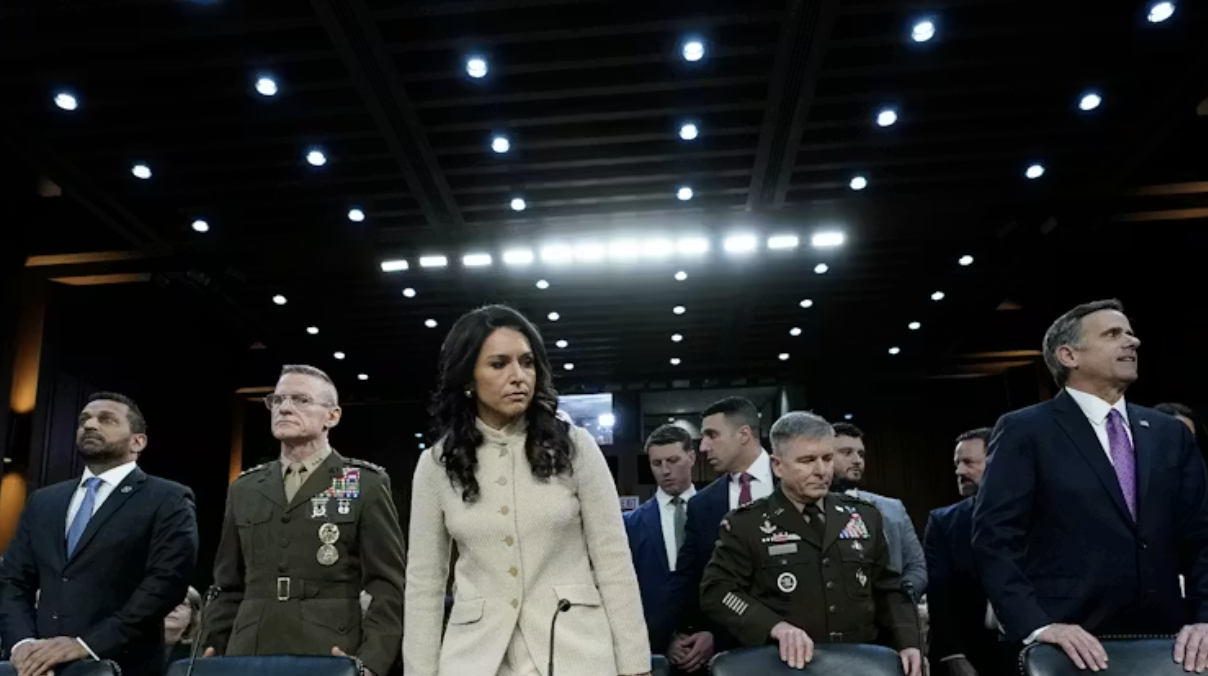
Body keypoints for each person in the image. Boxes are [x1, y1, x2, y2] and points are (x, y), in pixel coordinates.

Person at [405, 304, 651, 676]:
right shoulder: (437, 463)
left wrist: (635, 666)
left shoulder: (576, 446)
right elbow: (424, 583)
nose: (518, 376)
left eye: (527, 362)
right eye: (499, 364)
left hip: (576, 653)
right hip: (475, 659)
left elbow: (614, 561)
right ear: (468, 377)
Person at [973, 299, 1208, 673]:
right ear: (1069, 355)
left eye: (1130, 333)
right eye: (1113, 334)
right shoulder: (1026, 430)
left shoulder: (1169, 434)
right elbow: (994, 537)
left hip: (1169, 643)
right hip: (1067, 644)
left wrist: (1205, 616)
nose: (1132, 341)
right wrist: (1037, 624)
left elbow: (1201, 534)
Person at [200, 365, 406, 676]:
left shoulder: (363, 483)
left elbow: (386, 584)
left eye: (300, 399)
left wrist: (372, 661)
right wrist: (212, 647)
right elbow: (227, 584)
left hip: (330, 651)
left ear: (332, 416)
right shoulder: (245, 488)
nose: (284, 408)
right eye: (277, 400)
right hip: (250, 651)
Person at [700, 411, 922, 675]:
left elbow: (889, 588)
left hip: (858, 663)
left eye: (827, 458)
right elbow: (718, 591)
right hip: (783, 666)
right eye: (807, 460)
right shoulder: (747, 524)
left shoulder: (864, 515)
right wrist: (773, 626)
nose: (821, 471)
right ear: (778, 466)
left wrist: (908, 642)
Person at [0, 392, 198, 676]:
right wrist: (22, 645)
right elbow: (13, 580)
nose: (90, 425)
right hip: (38, 667)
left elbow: (166, 583)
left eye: (107, 420)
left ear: (138, 442)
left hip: (123, 666)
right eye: (84, 420)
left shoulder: (167, 497)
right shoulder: (44, 501)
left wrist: (88, 645)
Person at [657, 397, 769, 658]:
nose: (704, 446)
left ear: (744, 434)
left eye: (712, 435)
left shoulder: (793, 482)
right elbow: (690, 580)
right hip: (727, 652)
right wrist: (675, 635)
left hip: (798, 645)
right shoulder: (702, 505)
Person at [623, 425, 707, 672]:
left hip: (715, 648)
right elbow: (629, 592)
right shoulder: (631, 524)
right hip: (656, 653)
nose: (665, 471)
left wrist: (712, 634)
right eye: (656, 463)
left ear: (691, 457)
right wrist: (661, 640)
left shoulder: (717, 512)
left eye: (673, 460)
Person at [924, 428, 1001, 676]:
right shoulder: (944, 522)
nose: (958, 471)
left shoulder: (1039, 514)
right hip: (971, 653)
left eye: (968, 462)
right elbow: (940, 594)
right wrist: (952, 655)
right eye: (957, 463)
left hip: (1035, 647)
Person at [831, 422, 927, 600]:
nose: (857, 460)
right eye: (847, 452)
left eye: (861, 454)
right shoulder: (810, 508)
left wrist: (898, 600)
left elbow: (917, 566)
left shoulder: (892, 509)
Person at [163, 587, 201, 668]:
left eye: (183, 604)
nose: (174, 608)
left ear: (193, 616)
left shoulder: (196, 653)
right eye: (168, 600)